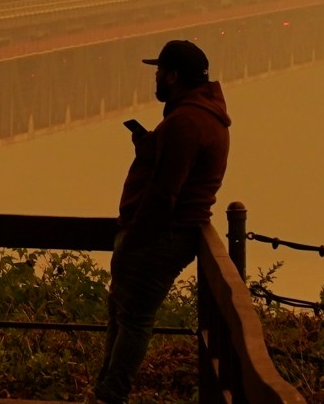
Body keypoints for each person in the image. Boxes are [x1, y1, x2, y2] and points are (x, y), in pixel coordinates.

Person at [92, 38, 232, 404]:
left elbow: (165, 193)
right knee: (123, 317)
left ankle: (110, 396)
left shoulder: (185, 122)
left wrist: (134, 239)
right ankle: (104, 392)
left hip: (160, 237)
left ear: (171, 76)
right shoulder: (202, 116)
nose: (154, 78)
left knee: (133, 321)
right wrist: (151, 146)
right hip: (170, 234)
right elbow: (180, 168)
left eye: (158, 72)